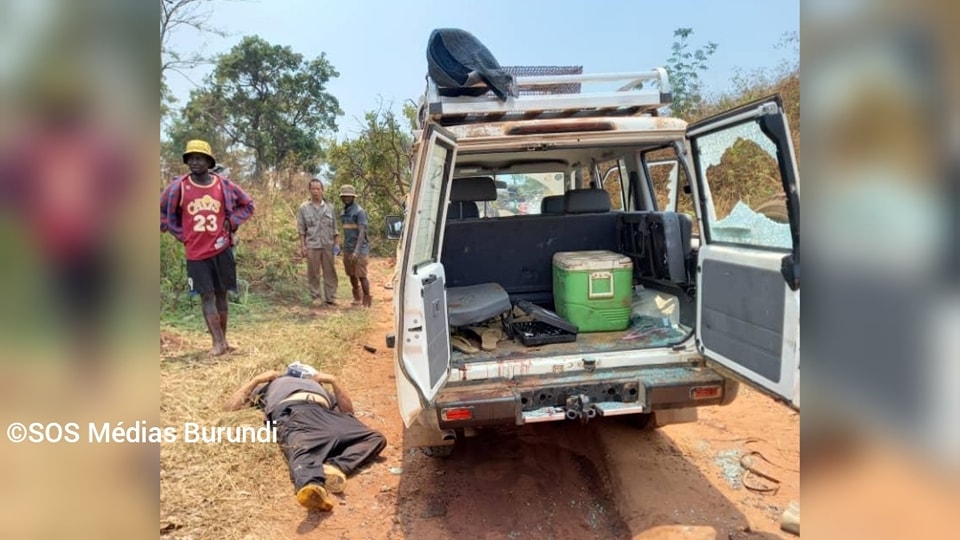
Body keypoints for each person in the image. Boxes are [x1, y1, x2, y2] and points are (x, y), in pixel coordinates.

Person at [223, 366, 387, 511]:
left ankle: (334, 467)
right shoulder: (269, 384)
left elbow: (348, 413)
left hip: (325, 414)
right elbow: (229, 408)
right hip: (293, 412)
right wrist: (257, 380)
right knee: (301, 449)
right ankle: (313, 487)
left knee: (374, 438)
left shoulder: (320, 387)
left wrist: (333, 381)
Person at [160, 140, 255, 356]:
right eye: (191, 158)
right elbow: (161, 210)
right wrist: (177, 232)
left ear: (209, 161)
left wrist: (232, 222)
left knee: (222, 294)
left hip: (222, 248)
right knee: (206, 295)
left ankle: (224, 341)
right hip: (196, 252)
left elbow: (248, 204)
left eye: (199, 158)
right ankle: (217, 342)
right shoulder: (179, 187)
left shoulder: (224, 185)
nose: (194, 162)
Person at [297, 179, 340, 305]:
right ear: (309, 190)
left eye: (318, 189)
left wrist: (336, 244)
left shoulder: (329, 207)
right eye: (313, 189)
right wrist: (303, 246)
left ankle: (331, 297)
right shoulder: (304, 208)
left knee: (330, 272)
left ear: (322, 190)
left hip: (327, 244)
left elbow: (335, 228)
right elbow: (301, 229)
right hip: (312, 245)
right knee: (313, 272)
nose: (316, 191)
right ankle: (316, 296)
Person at [338, 185, 372, 307]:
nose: (346, 198)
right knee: (351, 274)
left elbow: (362, 232)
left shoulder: (359, 212)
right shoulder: (343, 212)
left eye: (349, 196)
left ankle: (367, 302)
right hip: (348, 248)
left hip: (360, 249)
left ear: (353, 197)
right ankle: (357, 298)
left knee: (362, 275)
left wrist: (357, 251)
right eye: (344, 196)